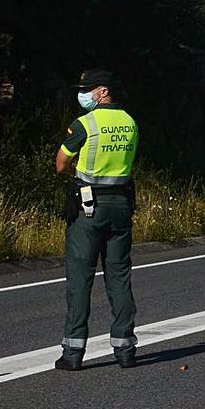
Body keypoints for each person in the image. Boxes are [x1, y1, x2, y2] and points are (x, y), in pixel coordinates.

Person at [54, 69, 140, 371]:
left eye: (88, 88)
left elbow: (60, 163)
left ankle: (73, 352)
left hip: (89, 207)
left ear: (103, 91)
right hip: (121, 205)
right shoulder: (130, 122)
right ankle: (125, 349)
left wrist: (76, 169)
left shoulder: (85, 124)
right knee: (119, 277)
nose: (83, 94)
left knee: (80, 278)